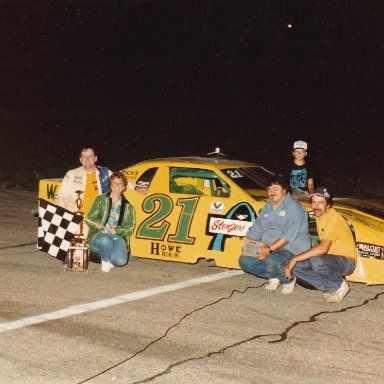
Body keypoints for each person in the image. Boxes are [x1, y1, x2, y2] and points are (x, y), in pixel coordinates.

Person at [239, 175, 311, 294]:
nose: (272, 192)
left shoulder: (294, 206)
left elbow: (288, 235)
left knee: (271, 261)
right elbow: (257, 228)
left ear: (284, 189)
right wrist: (249, 244)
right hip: (269, 246)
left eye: (275, 188)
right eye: (269, 189)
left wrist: (269, 250)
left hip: (291, 247)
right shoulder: (267, 207)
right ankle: (275, 275)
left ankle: (288, 280)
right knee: (245, 261)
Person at [285, 187, 356, 303]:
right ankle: (330, 286)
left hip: (346, 262)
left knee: (316, 261)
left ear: (328, 205)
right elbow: (303, 203)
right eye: (314, 202)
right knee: (295, 266)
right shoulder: (319, 212)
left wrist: (295, 258)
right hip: (329, 259)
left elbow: (323, 249)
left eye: (321, 202)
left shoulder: (333, 219)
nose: (316, 206)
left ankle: (338, 285)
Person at [86, 172, 136, 272]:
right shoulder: (100, 199)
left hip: (117, 237)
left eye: (120, 183)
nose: (117, 185)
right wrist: (97, 223)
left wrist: (117, 230)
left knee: (120, 261)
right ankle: (105, 262)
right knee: (105, 239)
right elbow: (89, 217)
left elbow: (130, 226)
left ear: (124, 187)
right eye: (114, 183)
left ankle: (107, 254)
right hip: (100, 235)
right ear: (110, 185)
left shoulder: (128, 206)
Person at [56, 147, 112, 216]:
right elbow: (61, 197)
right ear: (80, 159)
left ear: (95, 158)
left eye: (90, 156)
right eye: (84, 156)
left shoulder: (105, 173)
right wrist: (65, 218)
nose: (87, 159)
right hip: (75, 219)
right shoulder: (71, 174)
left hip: (97, 222)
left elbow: (123, 182)